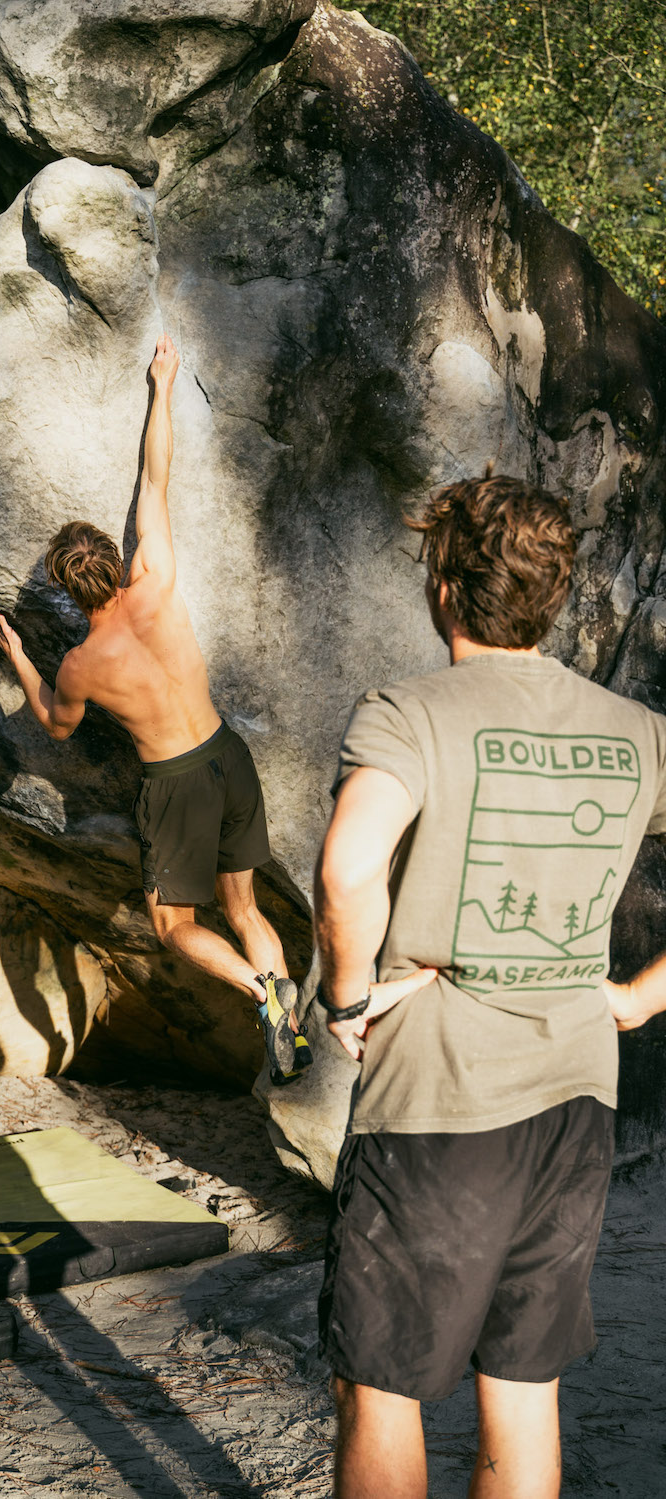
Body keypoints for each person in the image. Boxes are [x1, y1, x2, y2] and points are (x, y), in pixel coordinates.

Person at [312, 472, 666, 1499]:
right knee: (521, 1380)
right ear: (551, 596)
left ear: (440, 584)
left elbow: (344, 869)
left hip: (438, 1097)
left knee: (380, 1383)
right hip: (575, 1093)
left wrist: (343, 998)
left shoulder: (406, 712)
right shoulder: (634, 727)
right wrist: (637, 998)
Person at [0, 334, 311, 1086]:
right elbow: (154, 478)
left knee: (173, 925)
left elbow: (54, 723)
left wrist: (18, 656)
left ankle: (266, 997)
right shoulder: (155, 576)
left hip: (175, 785)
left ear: (68, 592)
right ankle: (287, 1021)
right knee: (246, 908)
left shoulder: (82, 664)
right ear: (112, 551)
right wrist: (161, 388)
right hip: (228, 756)